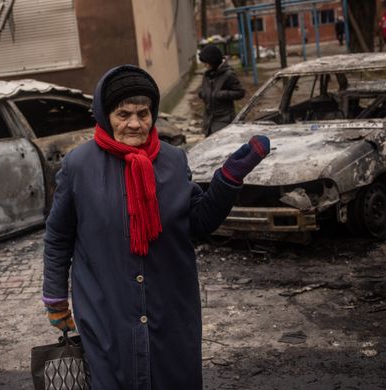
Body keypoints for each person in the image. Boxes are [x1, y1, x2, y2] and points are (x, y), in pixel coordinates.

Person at [42, 64, 270, 390]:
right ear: (105, 116)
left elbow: (199, 223)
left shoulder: (173, 160)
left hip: (171, 311)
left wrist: (229, 178)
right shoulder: (79, 165)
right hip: (106, 311)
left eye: (143, 113)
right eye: (123, 114)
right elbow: (58, 236)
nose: (135, 123)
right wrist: (55, 297)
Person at [197, 44, 245, 136]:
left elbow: (240, 92)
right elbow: (202, 89)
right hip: (208, 120)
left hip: (223, 120)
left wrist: (222, 94)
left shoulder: (228, 75)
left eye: (206, 62)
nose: (205, 65)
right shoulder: (207, 75)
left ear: (213, 61)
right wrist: (202, 93)